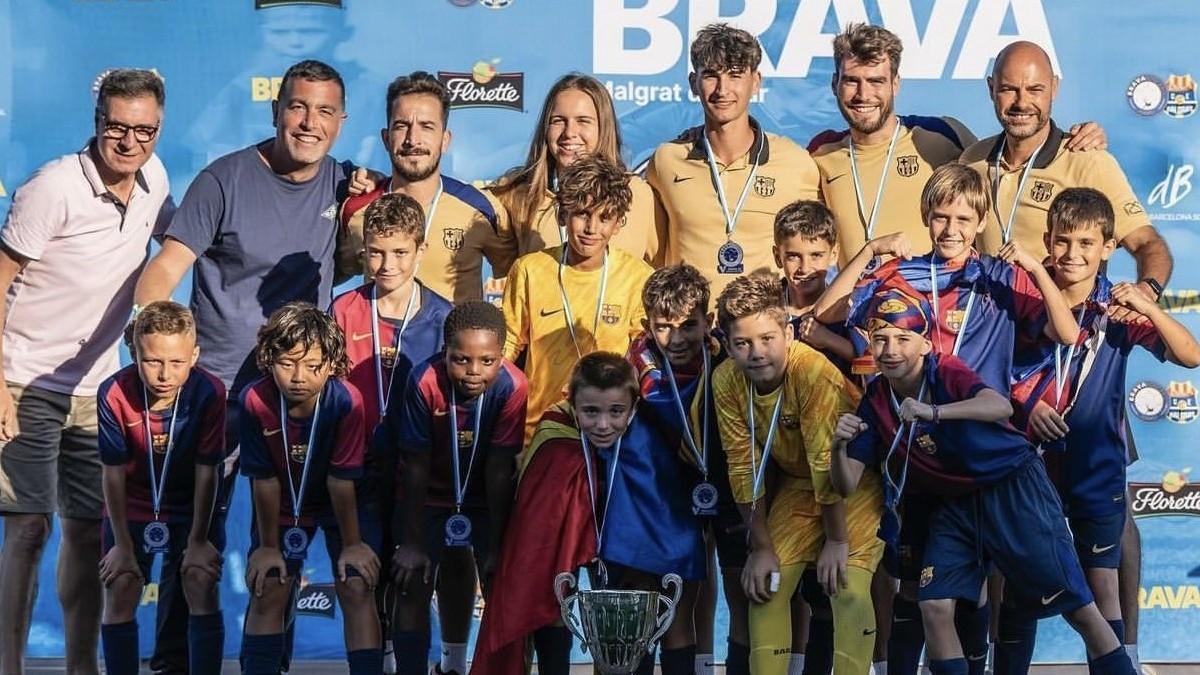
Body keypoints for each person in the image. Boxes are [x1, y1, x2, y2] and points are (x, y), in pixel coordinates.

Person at [813, 162, 1078, 674]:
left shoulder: (1000, 277)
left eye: (963, 218)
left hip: (982, 449)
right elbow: (825, 314)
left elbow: (1064, 335)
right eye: (940, 217)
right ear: (925, 218)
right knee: (916, 586)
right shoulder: (903, 274)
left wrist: (1036, 268)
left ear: (980, 222)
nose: (951, 229)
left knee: (979, 586)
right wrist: (869, 251)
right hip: (916, 450)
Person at [829, 288, 1138, 675]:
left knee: (1078, 608)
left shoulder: (944, 370)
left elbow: (1000, 405)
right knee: (934, 605)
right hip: (952, 505)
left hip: (1011, 487)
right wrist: (839, 446)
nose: (891, 349)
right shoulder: (875, 397)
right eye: (881, 339)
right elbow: (845, 485)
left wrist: (935, 411)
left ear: (925, 344)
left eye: (903, 339)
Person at [0, 68, 173, 675]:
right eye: (116, 129)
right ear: (95, 123)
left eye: (144, 131)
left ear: (158, 128)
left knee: (83, 532)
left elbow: (184, 241)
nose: (130, 144)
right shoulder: (51, 188)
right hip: (24, 378)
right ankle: (10, 666)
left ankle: (81, 667)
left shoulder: (156, 177)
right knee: (26, 531)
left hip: (95, 386)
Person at [1000, 188, 1200, 672]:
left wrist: (1150, 307)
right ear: (1047, 240)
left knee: (1102, 586)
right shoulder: (1023, 295)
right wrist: (1025, 409)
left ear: (1108, 247)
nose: (1073, 254)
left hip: (1096, 466)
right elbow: (990, 370)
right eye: (1063, 242)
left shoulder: (1118, 307)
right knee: (1019, 588)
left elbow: (1191, 356)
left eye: (1087, 244)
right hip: (1030, 465)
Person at [808, 23, 1106, 268]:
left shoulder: (942, 136)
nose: (863, 94)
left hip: (936, 318)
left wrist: (1080, 137)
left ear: (895, 83)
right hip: (856, 326)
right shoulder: (821, 153)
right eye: (851, 81)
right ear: (835, 83)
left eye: (876, 81)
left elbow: (1009, 161)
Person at [711, 272, 881, 674]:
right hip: (802, 486)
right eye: (742, 343)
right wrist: (761, 546)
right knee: (765, 585)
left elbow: (827, 464)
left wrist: (837, 541)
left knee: (848, 587)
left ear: (788, 333)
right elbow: (742, 465)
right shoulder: (726, 380)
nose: (756, 352)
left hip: (853, 481)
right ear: (728, 346)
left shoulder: (811, 372)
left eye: (767, 338)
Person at [472, 352, 647, 675]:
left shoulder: (645, 435)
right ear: (573, 404)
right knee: (550, 586)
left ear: (633, 406)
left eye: (616, 411)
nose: (604, 424)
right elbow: (538, 532)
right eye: (591, 411)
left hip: (622, 544)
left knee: (626, 598)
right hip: (559, 552)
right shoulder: (555, 434)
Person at [961, 41, 1172, 306]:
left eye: (1035, 90)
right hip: (990, 330)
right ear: (991, 88)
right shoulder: (971, 161)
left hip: (1058, 336)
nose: (1022, 102)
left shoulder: (1088, 161)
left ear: (1055, 88)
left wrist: (1147, 289)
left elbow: (1147, 243)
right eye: (1008, 89)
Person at [381, 301, 527, 675]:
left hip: (481, 498)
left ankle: (456, 666)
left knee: (495, 577)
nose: (474, 371)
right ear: (444, 352)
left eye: (487, 361)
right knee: (412, 578)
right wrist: (412, 543)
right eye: (461, 359)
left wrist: (496, 546)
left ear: (501, 355)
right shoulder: (423, 380)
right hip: (428, 493)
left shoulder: (513, 385)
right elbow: (415, 464)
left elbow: (499, 468)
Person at [238, 302, 381, 675]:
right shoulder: (254, 400)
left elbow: (341, 479)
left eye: (312, 365)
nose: (298, 376)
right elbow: (264, 480)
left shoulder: (347, 400)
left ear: (331, 364)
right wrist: (268, 547)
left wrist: (352, 545)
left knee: (356, 584)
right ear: (269, 360)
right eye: (286, 363)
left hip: (342, 502)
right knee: (269, 584)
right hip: (284, 501)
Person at [627, 264, 750, 675]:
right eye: (663, 327)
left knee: (739, 588)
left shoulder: (733, 360)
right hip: (670, 493)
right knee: (674, 593)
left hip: (730, 487)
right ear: (646, 324)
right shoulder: (635, 372)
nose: (675, 339)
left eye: (687, 325)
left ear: (709, 322)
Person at [644, 23, 820, 299]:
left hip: (761, 334)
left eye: (735, 75)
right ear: (694, 83)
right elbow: (651, 256)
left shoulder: (796, 163)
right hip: (689, 333)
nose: (722, 89)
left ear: (756, 82)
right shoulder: (667, 161)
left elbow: (820, 253)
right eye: (711, 76)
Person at [96, 302, 226, 675]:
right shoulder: (113, 393)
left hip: (189, 506)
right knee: (121, 583)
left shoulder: (210, 392)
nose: (165, 374)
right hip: (134, 505)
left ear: (194, 355)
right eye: (153, 362)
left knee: (200, 578)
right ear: (134, 353)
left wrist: (198, 539)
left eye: (177, 362)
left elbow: (207, 471)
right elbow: (113, 473)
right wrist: (121, 544)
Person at [502, 155, 652, 444]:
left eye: (604, 217)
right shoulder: (530, 270)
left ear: (619, 223)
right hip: (542, 431)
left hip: (612, 432)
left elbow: (643, 358)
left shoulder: (637, 277)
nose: (591, 228)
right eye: (582, 213)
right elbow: (507, 350)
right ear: (562, 215)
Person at [337, 71, 514, 303]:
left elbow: (519, 279)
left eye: (427, 126)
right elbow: (334, 274)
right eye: (402, 126)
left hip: (453, 339)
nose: (413, 139)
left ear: (445, 139)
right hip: (382, 340)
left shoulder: (481, 209)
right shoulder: (357, 210)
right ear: (386, 138)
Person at [490, 72, 658, 262]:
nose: (569, 132)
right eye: (558, 121)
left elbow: (660, 268)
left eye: (583, 121)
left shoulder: (637, 194)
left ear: (603, 128)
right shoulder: (517, 196)